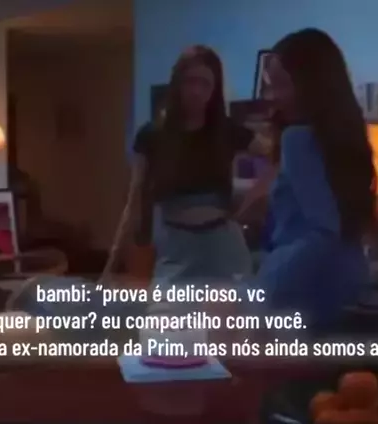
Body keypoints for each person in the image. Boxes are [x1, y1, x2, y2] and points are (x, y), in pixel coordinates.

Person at [103, 45, 274, 293]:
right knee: (164, 317)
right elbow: (134, 203)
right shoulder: (152, 135)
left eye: (205, 84)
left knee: (230, 317)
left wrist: (253, 199)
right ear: (177, 84)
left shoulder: (226, 130)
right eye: (190, 81)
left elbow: (277, 155)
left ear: (214, 89)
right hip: (176, 251)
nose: (197, 91)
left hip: (224, 251)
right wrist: (110, 267)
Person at [252, 28, 378, 332]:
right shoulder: (343, 139)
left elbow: (322, 232)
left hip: (302, 287)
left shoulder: (297, 139)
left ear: (310, 84)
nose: (274, 97)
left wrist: (259, 292)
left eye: (281, 85)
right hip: (347, 283)